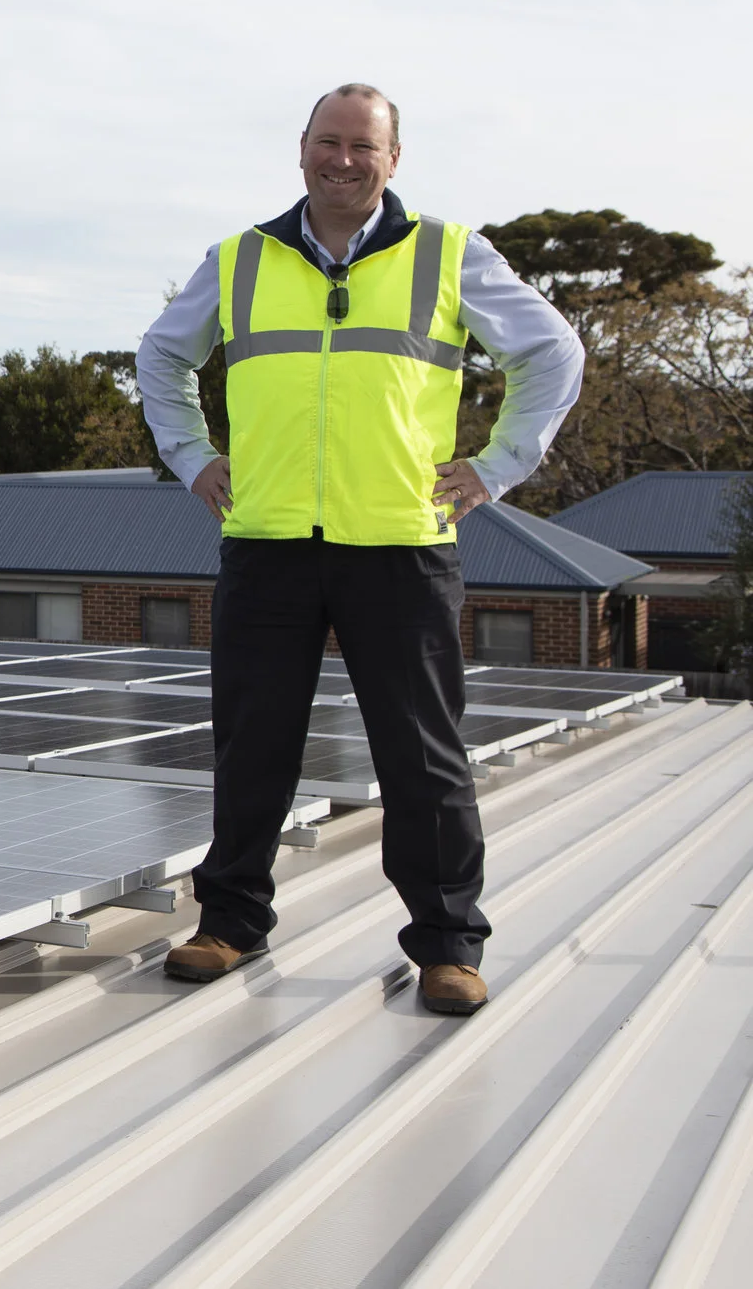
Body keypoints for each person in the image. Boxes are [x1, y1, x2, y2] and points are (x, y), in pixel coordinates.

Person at [136, 84, 582, 1016]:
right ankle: (230, 921)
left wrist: (496, 467)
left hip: (401, 546)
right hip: (267, 543)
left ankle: (449, 945)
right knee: (253, 743)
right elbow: (162, 357)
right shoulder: (240, 259)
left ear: (393, 158)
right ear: (301, 149)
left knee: (423, 757)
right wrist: (192, 456)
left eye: (362, 147)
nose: (343, 161)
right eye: (327, 143)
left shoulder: (449, 254)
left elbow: (552, 351)